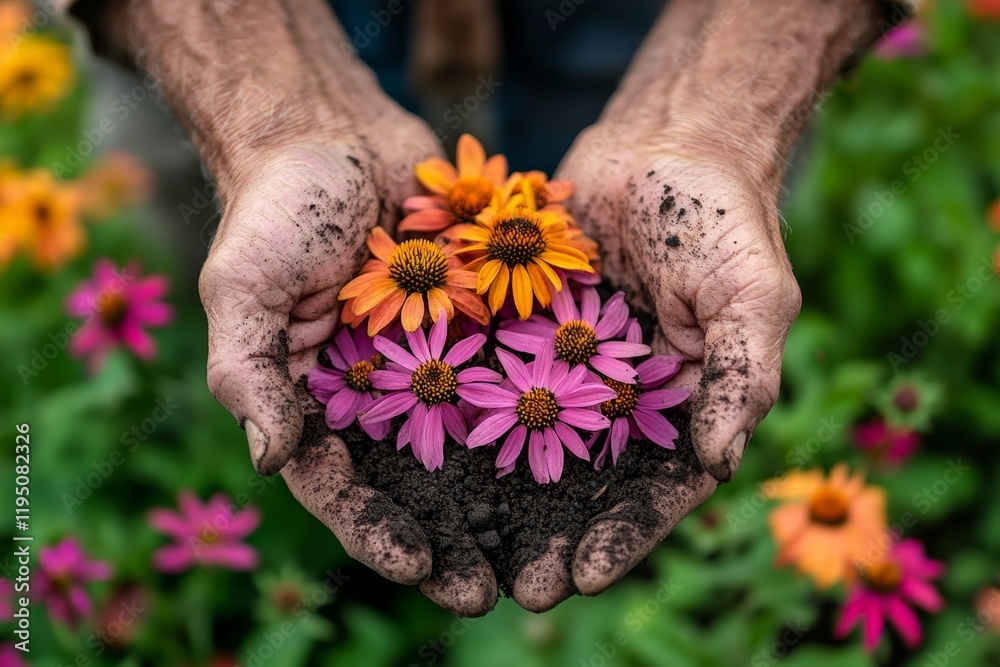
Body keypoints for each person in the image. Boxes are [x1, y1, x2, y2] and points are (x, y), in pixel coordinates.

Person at [66, 0, 903, 616]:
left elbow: (523, 345)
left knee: (662, 253)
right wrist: (271, 126)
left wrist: (716, 125)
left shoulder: (563, 356)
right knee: (206, 235)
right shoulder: (418, 338)